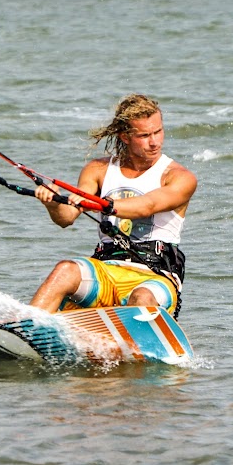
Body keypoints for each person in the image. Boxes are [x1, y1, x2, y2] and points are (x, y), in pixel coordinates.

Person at [29, 94, 197, 317]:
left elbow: (147, 206)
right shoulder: (98, 170)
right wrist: (51, 202)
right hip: (107, 268)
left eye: (158, 131)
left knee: (141, 297)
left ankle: (135, 345)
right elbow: (66, 218)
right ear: (125, 137)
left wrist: (102, 204)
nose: (155, 141)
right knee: (65, 270)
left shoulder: (178, 177)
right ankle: (27, 326)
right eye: (144, 135)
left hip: (155, 275)